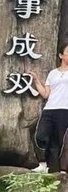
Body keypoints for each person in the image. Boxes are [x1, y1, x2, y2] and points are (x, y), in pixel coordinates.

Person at [30, 42, 68, 173]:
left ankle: (61, 170)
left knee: (60, 141)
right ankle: (42, 164)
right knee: (40, 135)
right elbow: (46, 94)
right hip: (49, 109)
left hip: (65, 110)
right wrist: (36, 80)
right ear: (61, 55)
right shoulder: (53, 73)